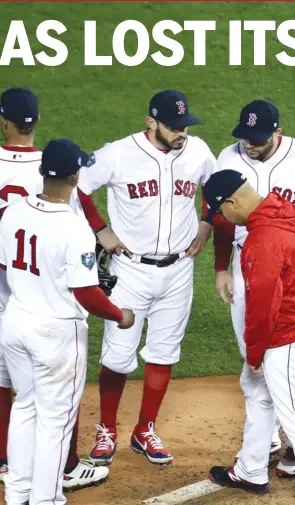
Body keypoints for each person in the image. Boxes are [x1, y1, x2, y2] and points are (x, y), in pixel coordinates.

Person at [0, 87, 109, 491]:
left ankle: (8, 461)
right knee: (59, 374)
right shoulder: (55, 164)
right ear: (35, 121)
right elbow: (83, 213)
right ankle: (66, 466)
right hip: (46, 279)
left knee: (0, 370)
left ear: (4, 121)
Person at [0, 139, 135, 505]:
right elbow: (88, 294)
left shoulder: (16, 210)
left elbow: (5, 264)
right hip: (55, 332)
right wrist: (119, 315)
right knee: (56, 420)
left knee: (26, 406)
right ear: (75, 176)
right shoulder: (74, 227)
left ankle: (17, 493)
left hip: (16, 320)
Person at [78, 90, 217, 466]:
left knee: (164, 351)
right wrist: (100, 229)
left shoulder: (198, 151)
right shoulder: (118, 153)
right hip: (132, 271)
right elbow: (77, 185)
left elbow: (218, 188)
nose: (181, 133)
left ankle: (145, 429)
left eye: (185, 125)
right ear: (151, 122)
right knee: (118, 356)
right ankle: (107, 429)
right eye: (174, 126)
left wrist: (206, 223)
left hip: (178, 272)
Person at [209, 100, 295, 479]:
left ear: (277, 133)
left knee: (269, 362)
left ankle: (289, 448)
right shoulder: (228, 157)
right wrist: (220, 269)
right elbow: (220, 214)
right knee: (263, 368)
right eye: (246, 136)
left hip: (289, 271)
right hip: (245, 265)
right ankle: (262, 447)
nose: (250, 144)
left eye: (260, 138)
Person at [204, 169, 295, 505]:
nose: (223, 221)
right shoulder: (289, 212)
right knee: (255, 388)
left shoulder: (262, 240)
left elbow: (262, 306)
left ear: (230, 202)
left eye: (220, 213)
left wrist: (255, 352)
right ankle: (251, 468)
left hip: (289, 337)